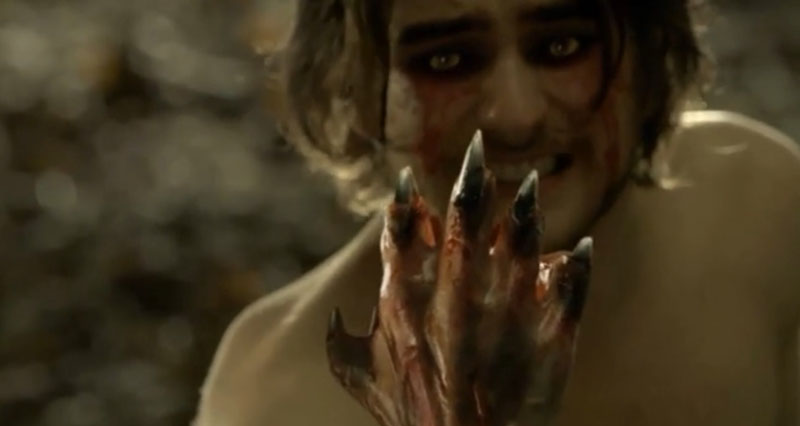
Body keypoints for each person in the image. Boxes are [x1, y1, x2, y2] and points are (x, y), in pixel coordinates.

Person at [194, 0, 800, 425]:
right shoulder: (277, 395)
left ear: (648, 43)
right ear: (351, 85)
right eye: (447, 60)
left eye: (561, 46)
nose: (516, 116)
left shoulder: (758, 215)